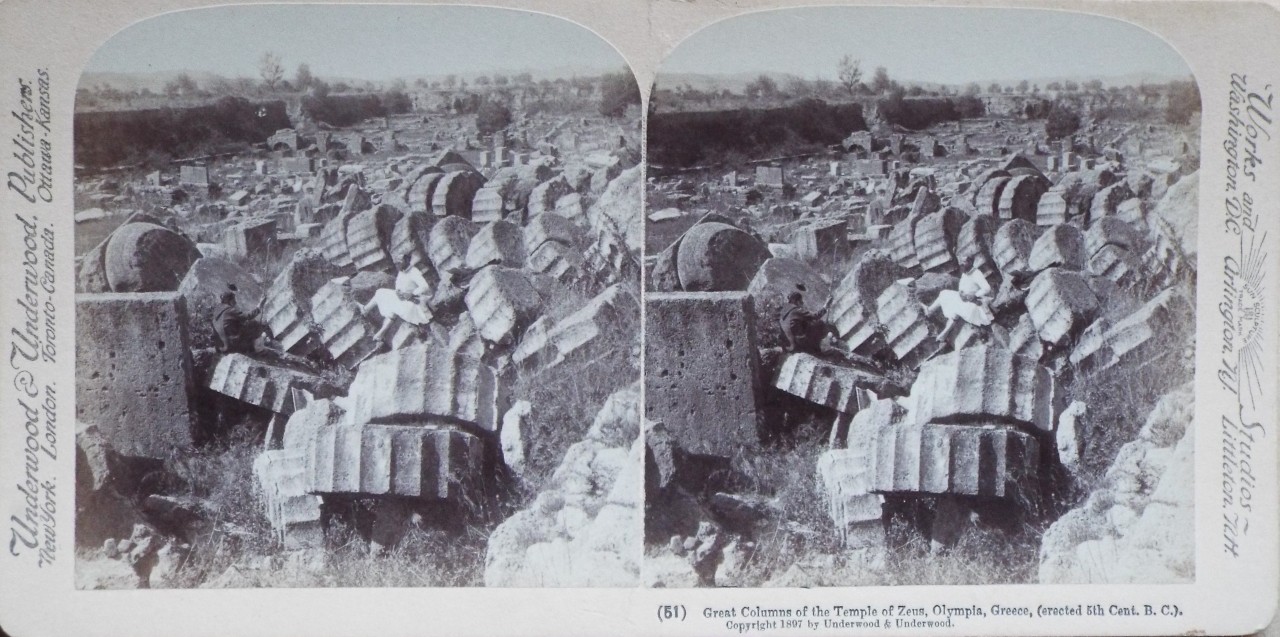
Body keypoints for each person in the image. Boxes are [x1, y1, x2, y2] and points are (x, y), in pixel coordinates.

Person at [361, 255, 433, 346]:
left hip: (415, 304)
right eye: (396, 263)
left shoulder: (414, 272)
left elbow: (425, 287)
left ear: (406, 261)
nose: (397, 265)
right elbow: (399, 286)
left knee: (395, 308)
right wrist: (398, 292)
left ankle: (380, 333)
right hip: (404, 299)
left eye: (399, 262)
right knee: (380, 292)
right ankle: (365, 310)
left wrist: (413, 293)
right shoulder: (401, 272)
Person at [926, 255, 995, 347]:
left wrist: (974, 295)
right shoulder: (966, 272)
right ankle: (930, 310)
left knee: (956, 311)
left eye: (964, 261)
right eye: (961, 261)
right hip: (963, 298)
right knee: (944, 293)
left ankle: (943, 335)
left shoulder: (976, 273)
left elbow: (987, 288)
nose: (961, 263)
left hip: (973, 304)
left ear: (971, 262)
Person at [780, 288, 835, 356]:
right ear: (795, 301)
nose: (802, 303)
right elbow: (815, 316)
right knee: (820, 324)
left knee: (807, 324)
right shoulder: (795, 310)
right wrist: (826, 306)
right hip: (797, 345)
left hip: (787, 345)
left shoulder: (784, 312)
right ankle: (821, 349)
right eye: (800, 301)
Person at [214, 287, 267, 354]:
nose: (235, 302)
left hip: (220, 346)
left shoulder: (217, 310)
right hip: (230, 346)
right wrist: (260, 305)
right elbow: (248, 316)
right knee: (254, 324)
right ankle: (258, 349)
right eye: (234, 300)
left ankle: (252, 346)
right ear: (229, 301)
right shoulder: (229, 310)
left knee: (244, 326)